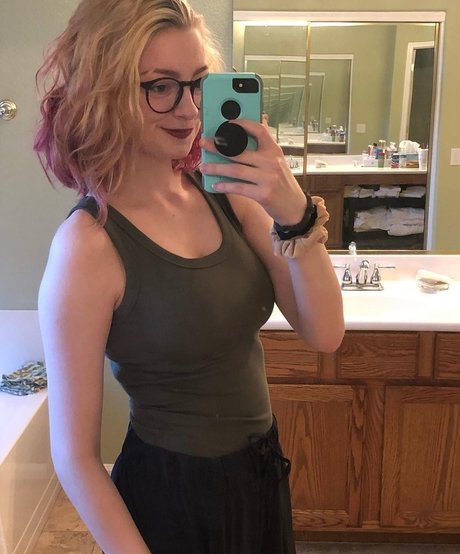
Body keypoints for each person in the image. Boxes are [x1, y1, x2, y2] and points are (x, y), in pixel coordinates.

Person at [35, 0, 345, 552]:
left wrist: (293, 207)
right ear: (105, 92)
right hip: (171, 496)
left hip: (260, 474)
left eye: (199, 83)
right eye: (160, 86)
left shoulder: (226, 196)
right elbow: (75, 458)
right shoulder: (88, 246)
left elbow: (325, 333)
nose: (189, 108)